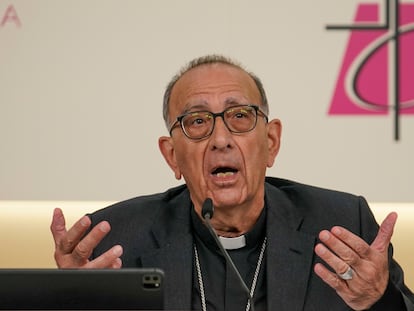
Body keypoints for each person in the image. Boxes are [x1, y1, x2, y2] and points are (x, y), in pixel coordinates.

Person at [51, 54, 414, 311]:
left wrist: (380, 300)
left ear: (271, 142)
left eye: (240, 116)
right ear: (172, 156)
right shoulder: (114, 243)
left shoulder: (343, 223)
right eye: (197, 121)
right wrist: (69, 304)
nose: (220, 139)